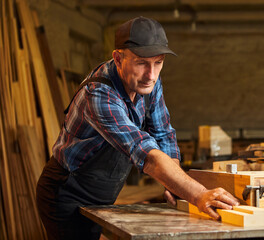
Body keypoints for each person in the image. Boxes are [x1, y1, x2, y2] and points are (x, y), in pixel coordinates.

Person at [36, 16, 239, 240]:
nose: (151, 75)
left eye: (158, 62)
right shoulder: (99, 93)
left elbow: (163, 133)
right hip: (66, 193)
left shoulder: (150, 83)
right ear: (118, 58)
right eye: (142, 63)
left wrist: (174, 184)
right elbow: (144, 152)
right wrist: (200, 194)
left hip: (101, 197)